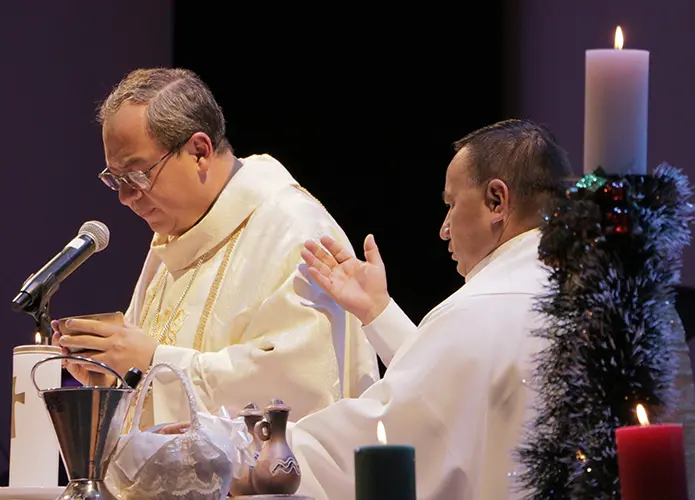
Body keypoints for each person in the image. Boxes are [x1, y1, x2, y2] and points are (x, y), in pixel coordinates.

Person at [52, 68, 379, 427]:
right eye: (116, 179)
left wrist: (156, 362)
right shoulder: (174, 238)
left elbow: (298, 385)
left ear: (199, 151)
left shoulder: (295, 231)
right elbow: (146, 376)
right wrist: (113, 377)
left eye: (138, 174)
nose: (127, 197)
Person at [289, 119, 573, 499]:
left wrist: (254, 442)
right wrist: (379, 310)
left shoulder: (479, 308)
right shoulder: (600, 293)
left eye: (451, 204)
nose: (443, 229)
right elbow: (468, 389)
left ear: (496, 201)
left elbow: (384, 436)